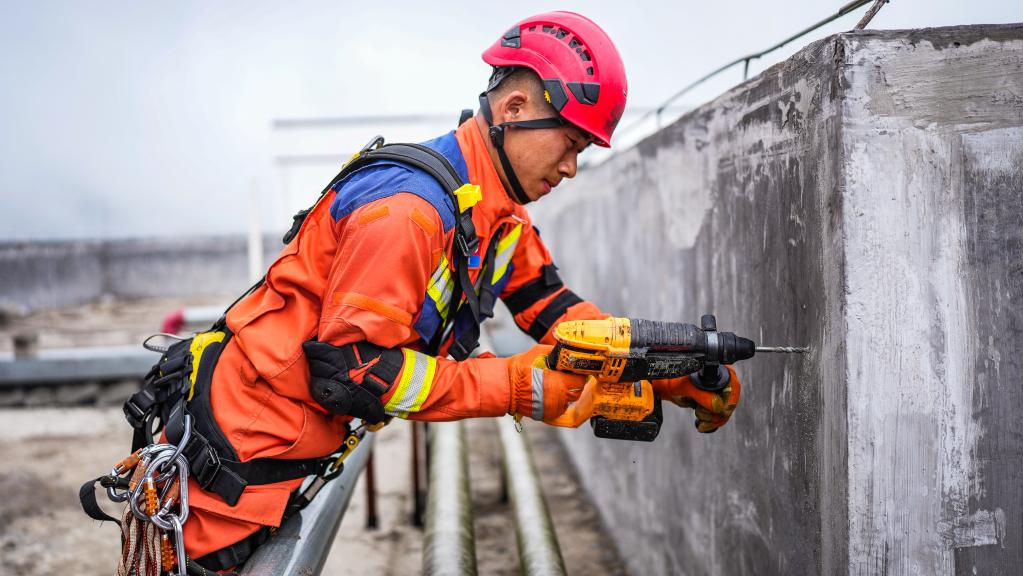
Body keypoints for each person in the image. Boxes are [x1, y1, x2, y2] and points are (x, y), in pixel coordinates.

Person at [170, 11, 741, 570]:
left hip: (286, 459)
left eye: (582, 152)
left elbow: (554, 311)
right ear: (515, 109)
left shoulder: (498, 213)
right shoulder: (408, 214)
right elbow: (353, 374)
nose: (571, 167)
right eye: (569, 144)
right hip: (234, 464)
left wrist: (660, 366)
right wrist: (517, 384)